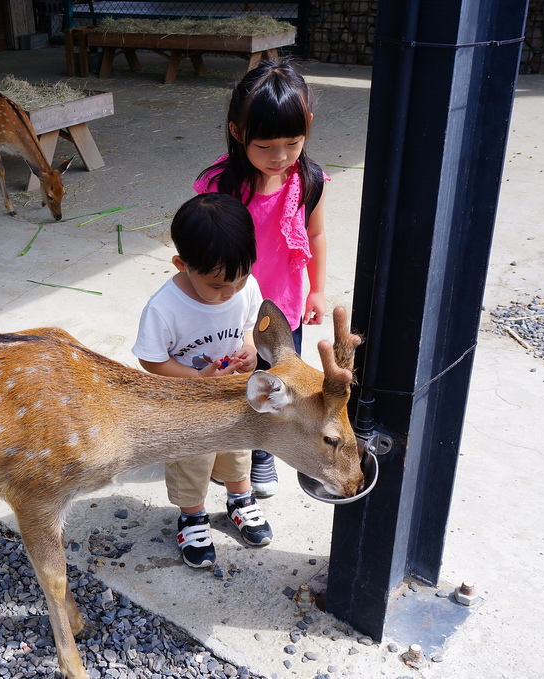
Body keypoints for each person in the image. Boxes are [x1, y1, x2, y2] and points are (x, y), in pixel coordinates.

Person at [195, 58, 329, 499]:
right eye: (265, 146)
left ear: (307, 125)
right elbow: (206, 248)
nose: (279, 157)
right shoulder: (222, 185)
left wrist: (318, 289)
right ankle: (234, 450)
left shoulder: (308, 181)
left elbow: (316, 233)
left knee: (281, 383)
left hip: (284, 307)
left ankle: (265, 454)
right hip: (235, 310)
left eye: (292, 142)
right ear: (237, 133)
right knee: (240, 380)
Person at [132, 193, 273, 568]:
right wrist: (195, 377)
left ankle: (240, 499)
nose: (230, 292)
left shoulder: (246, 287)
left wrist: (250, 351)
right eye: (216, 285)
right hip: (188, 405)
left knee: (238, 447)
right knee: (192, 459)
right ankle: (192, 516)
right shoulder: (165, 307)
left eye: (240, 280)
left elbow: (248, 328)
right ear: (182, 264)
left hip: (231, 393)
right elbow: (152, 359)